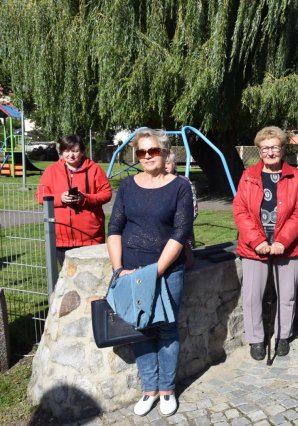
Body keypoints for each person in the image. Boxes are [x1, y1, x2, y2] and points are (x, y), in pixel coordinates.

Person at [107, 128, 194, 417]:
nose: (146, 157)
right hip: (131, 270)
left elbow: (181, 232)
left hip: (167, 272)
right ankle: (149, 389)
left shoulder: (179, 187)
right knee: (141, 328)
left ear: (166, 152)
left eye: (152, 151)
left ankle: (167, 390)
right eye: (141, 152)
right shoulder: (128, 186)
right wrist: (119, 269)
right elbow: (115, 228)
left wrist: (156, 271)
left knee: (167, 329)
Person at [233, 126, 298, 360]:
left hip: (287, 246)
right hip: (254, 246)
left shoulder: (296, 176)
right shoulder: (249, 176)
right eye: (265, 148)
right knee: (253, 295)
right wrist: (257, 241)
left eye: (275, 147)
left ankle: (282, 335)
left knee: (287, 295)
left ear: (283, 148)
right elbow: (240, 210)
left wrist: (283, 241)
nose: (270, 152)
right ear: (259, 150)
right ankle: (256, 339)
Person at [36, 134, 112, 266]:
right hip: (61, 237)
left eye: (75, 151)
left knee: (91, 279)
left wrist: (85, 198)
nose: (70, 155)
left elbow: (106, 193)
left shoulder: (94, 169)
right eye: (66, 151)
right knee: (67, 278)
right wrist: (60, 198)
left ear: (82, 152)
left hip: (89, 237)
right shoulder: (51, 171)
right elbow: (40, 196)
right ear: (61, 152)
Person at [165, 151, 197, 269]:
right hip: (161, 238)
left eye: (168, 163)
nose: (165, 166)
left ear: (174, 164)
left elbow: (193, 210)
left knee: (185, 269)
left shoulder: (184, 182)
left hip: (182, 237)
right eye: (162, 163)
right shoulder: (155, 183)